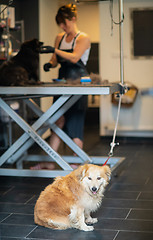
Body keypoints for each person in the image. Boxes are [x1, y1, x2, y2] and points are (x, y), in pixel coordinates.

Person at [31, 3, 90, 170]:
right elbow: (55, 60)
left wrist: (55, 51)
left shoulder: (83, 37)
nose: (63, 27)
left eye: (65, 23)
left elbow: (74, 57)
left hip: (79, 83)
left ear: (73, 19)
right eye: (60, 25)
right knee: (57, 119)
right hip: (62, 82)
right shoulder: (60, 37)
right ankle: (50, 161)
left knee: (75, 122)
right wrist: (50, 64)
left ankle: (76, 162)